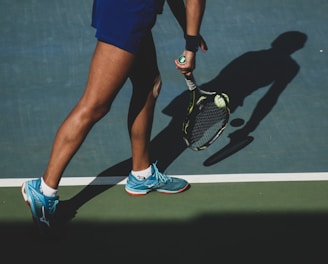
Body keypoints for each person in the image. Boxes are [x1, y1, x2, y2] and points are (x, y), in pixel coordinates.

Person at [21, 0, 207, 234]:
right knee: (95, 105)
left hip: (130, 9)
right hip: (128, 12)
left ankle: (142, 173)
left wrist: (189, 32)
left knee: (149, 84)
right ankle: (43, 189)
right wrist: (190, 46)